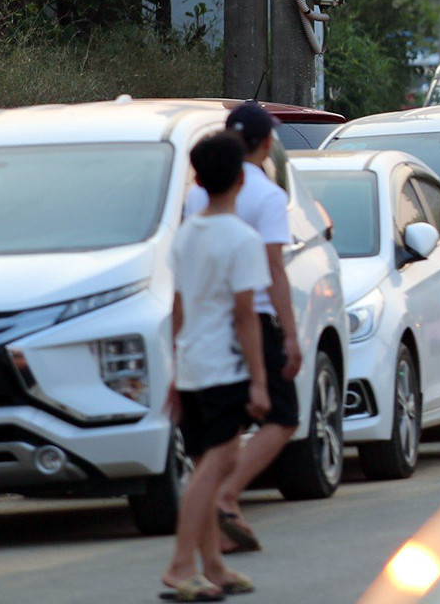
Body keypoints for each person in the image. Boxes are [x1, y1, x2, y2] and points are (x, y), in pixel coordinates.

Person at [183, 102, 300, 557]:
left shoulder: (198, 195)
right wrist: (290, 333)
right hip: (253, 318)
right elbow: (274, 267)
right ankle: (225, 498)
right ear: (266, 143)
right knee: (283, 416)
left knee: (218, 435)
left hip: (204, 325)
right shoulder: (268, 196)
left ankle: (211, 541)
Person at [161, 131, 269, 603]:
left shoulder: (185, 236)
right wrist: (260, 380)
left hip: (192, 365)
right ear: (242, 178)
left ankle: (213, 566)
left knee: (206, 461)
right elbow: (246, 317)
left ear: (199, 181)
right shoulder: (243, 239)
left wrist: (174, 371)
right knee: (218, 464)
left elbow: (177, 308)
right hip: (223, 367)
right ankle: (180, 564)